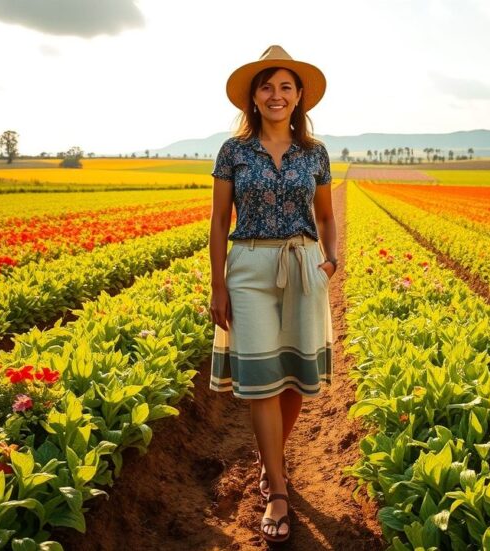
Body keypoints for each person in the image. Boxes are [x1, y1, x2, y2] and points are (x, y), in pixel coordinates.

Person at [208, 45, 336, 543]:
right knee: (261, 378)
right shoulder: (233, 151)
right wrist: (217, 283)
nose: (276, 94)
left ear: (299, 96)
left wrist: (329, 261)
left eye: (286, 86)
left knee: (293, 378)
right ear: (253, 99)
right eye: (267, 86)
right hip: (248, 266)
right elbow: (220, 219)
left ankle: (271, 461)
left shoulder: (316, 153)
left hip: (303, 265)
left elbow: (325, 215)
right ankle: (277, 490)